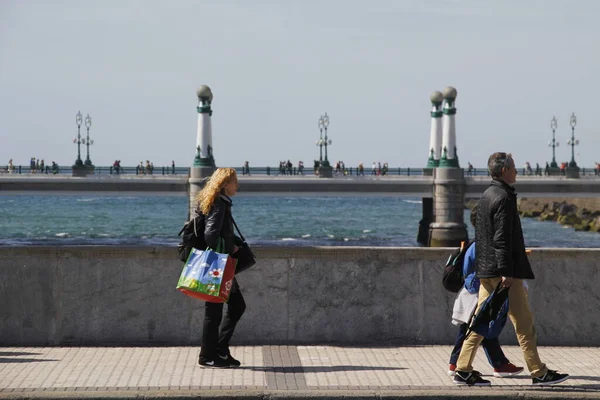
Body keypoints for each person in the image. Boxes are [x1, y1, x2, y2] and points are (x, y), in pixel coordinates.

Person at [453, 152, 569, 386]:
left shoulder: (486, 195)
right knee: (524, 323)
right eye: (514, 168)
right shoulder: (505, 197)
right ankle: (538, 372)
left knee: (481, 319)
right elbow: (501, 238)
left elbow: (483, 237)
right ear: (504, 170)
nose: (517, 171)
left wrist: (490, 269)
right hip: (504, 273)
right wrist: (506, 271)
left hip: (487, 271)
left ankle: (463, 368)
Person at [448, 205, 524, 378]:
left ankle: (462, 364)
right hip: (477, 293)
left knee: (476, 329)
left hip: (476, 293)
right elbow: (472, 274)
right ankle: (466, 365)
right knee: (478, 329)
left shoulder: (477, 243)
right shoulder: (481, 245)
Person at [196, 168, 245, 368]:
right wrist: (229, 247)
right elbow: (210, 235)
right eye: (235, 182)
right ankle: (210, 355)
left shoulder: (218, 202)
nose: (237, 186)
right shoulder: (218, 204)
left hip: (218, 262)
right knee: (216, 310)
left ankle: (219, 351)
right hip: (217, 263)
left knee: (228, 307)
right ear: (225, 183)